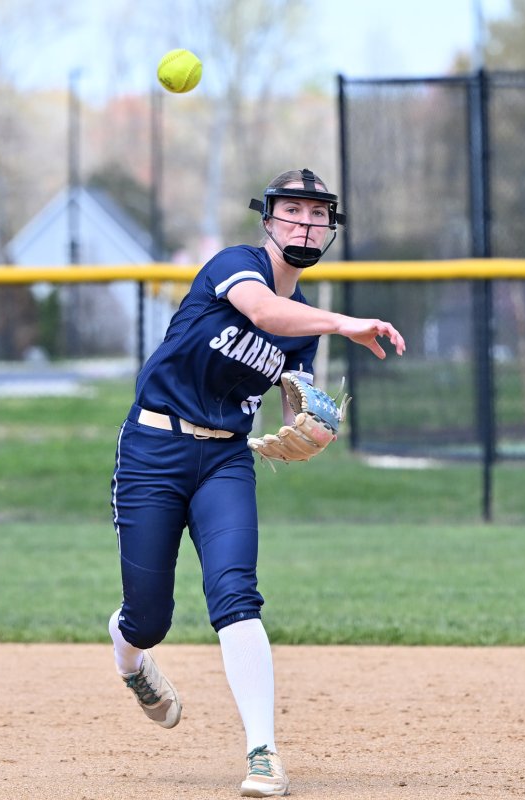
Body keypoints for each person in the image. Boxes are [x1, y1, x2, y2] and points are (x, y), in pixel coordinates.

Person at [108, 168, 405, 797]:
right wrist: (344, 322)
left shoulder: (300, 327)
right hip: (153, 450)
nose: (303, 223)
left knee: (236, 594)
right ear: (267, 220)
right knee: (148, 619)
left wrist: (306, 428)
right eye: (290, 211)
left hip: (225, 462)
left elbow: (290, 392)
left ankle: (263, 752)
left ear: (330, 228)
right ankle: (130, 656)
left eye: (316, 214)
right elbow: (265, 310)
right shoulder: (234, 266)